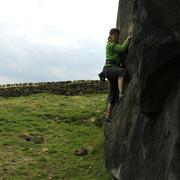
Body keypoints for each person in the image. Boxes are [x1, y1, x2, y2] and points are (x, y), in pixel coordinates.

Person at [102, 28, 131, 120]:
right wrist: (127, 40)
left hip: (110, 70)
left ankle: (108, 115)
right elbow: (122, 49)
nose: (117, 37)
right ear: (110, 36)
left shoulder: (113, 44)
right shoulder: (111, 44)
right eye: (115, 35)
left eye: (118, 35)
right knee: (122, 71)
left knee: (113, 94)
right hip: (109, 69)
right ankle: (121, 92)